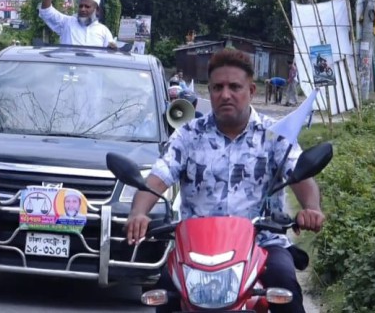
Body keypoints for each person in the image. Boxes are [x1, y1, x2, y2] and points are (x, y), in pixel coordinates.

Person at [125, 48, 325, 313]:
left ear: (252, 91)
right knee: (164, 295)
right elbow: (158, 177)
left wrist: (311, 209)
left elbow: (300, 174)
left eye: (234, 87)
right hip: (195, 250)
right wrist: (139, 213)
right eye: (217, 87)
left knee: (285, 286)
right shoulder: (188, 135)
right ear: (210, 93)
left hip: (262, 244)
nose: (225, 94)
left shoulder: (275, 135)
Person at [38, 0, 117, 48]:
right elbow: (46, 11)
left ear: (97, 10)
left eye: (87, 7)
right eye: (81, 6)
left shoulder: (103, 31)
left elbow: (109, 55)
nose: (83, 9)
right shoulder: (67, 23)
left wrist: (113, 48)